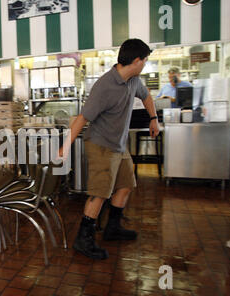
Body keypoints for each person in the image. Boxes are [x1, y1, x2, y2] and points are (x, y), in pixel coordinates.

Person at [58, 38, 160, 260]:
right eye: (144, 60)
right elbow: (82, 118)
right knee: (99, 193)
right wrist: (65, 147)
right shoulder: (105, 86)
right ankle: (83, 240)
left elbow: (147, 96)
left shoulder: (134, 80)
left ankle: (112, 228)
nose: (144, 64)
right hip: (101, 145)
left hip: (119, 145)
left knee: (125, 185)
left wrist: (154, 118)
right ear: (135, 60)